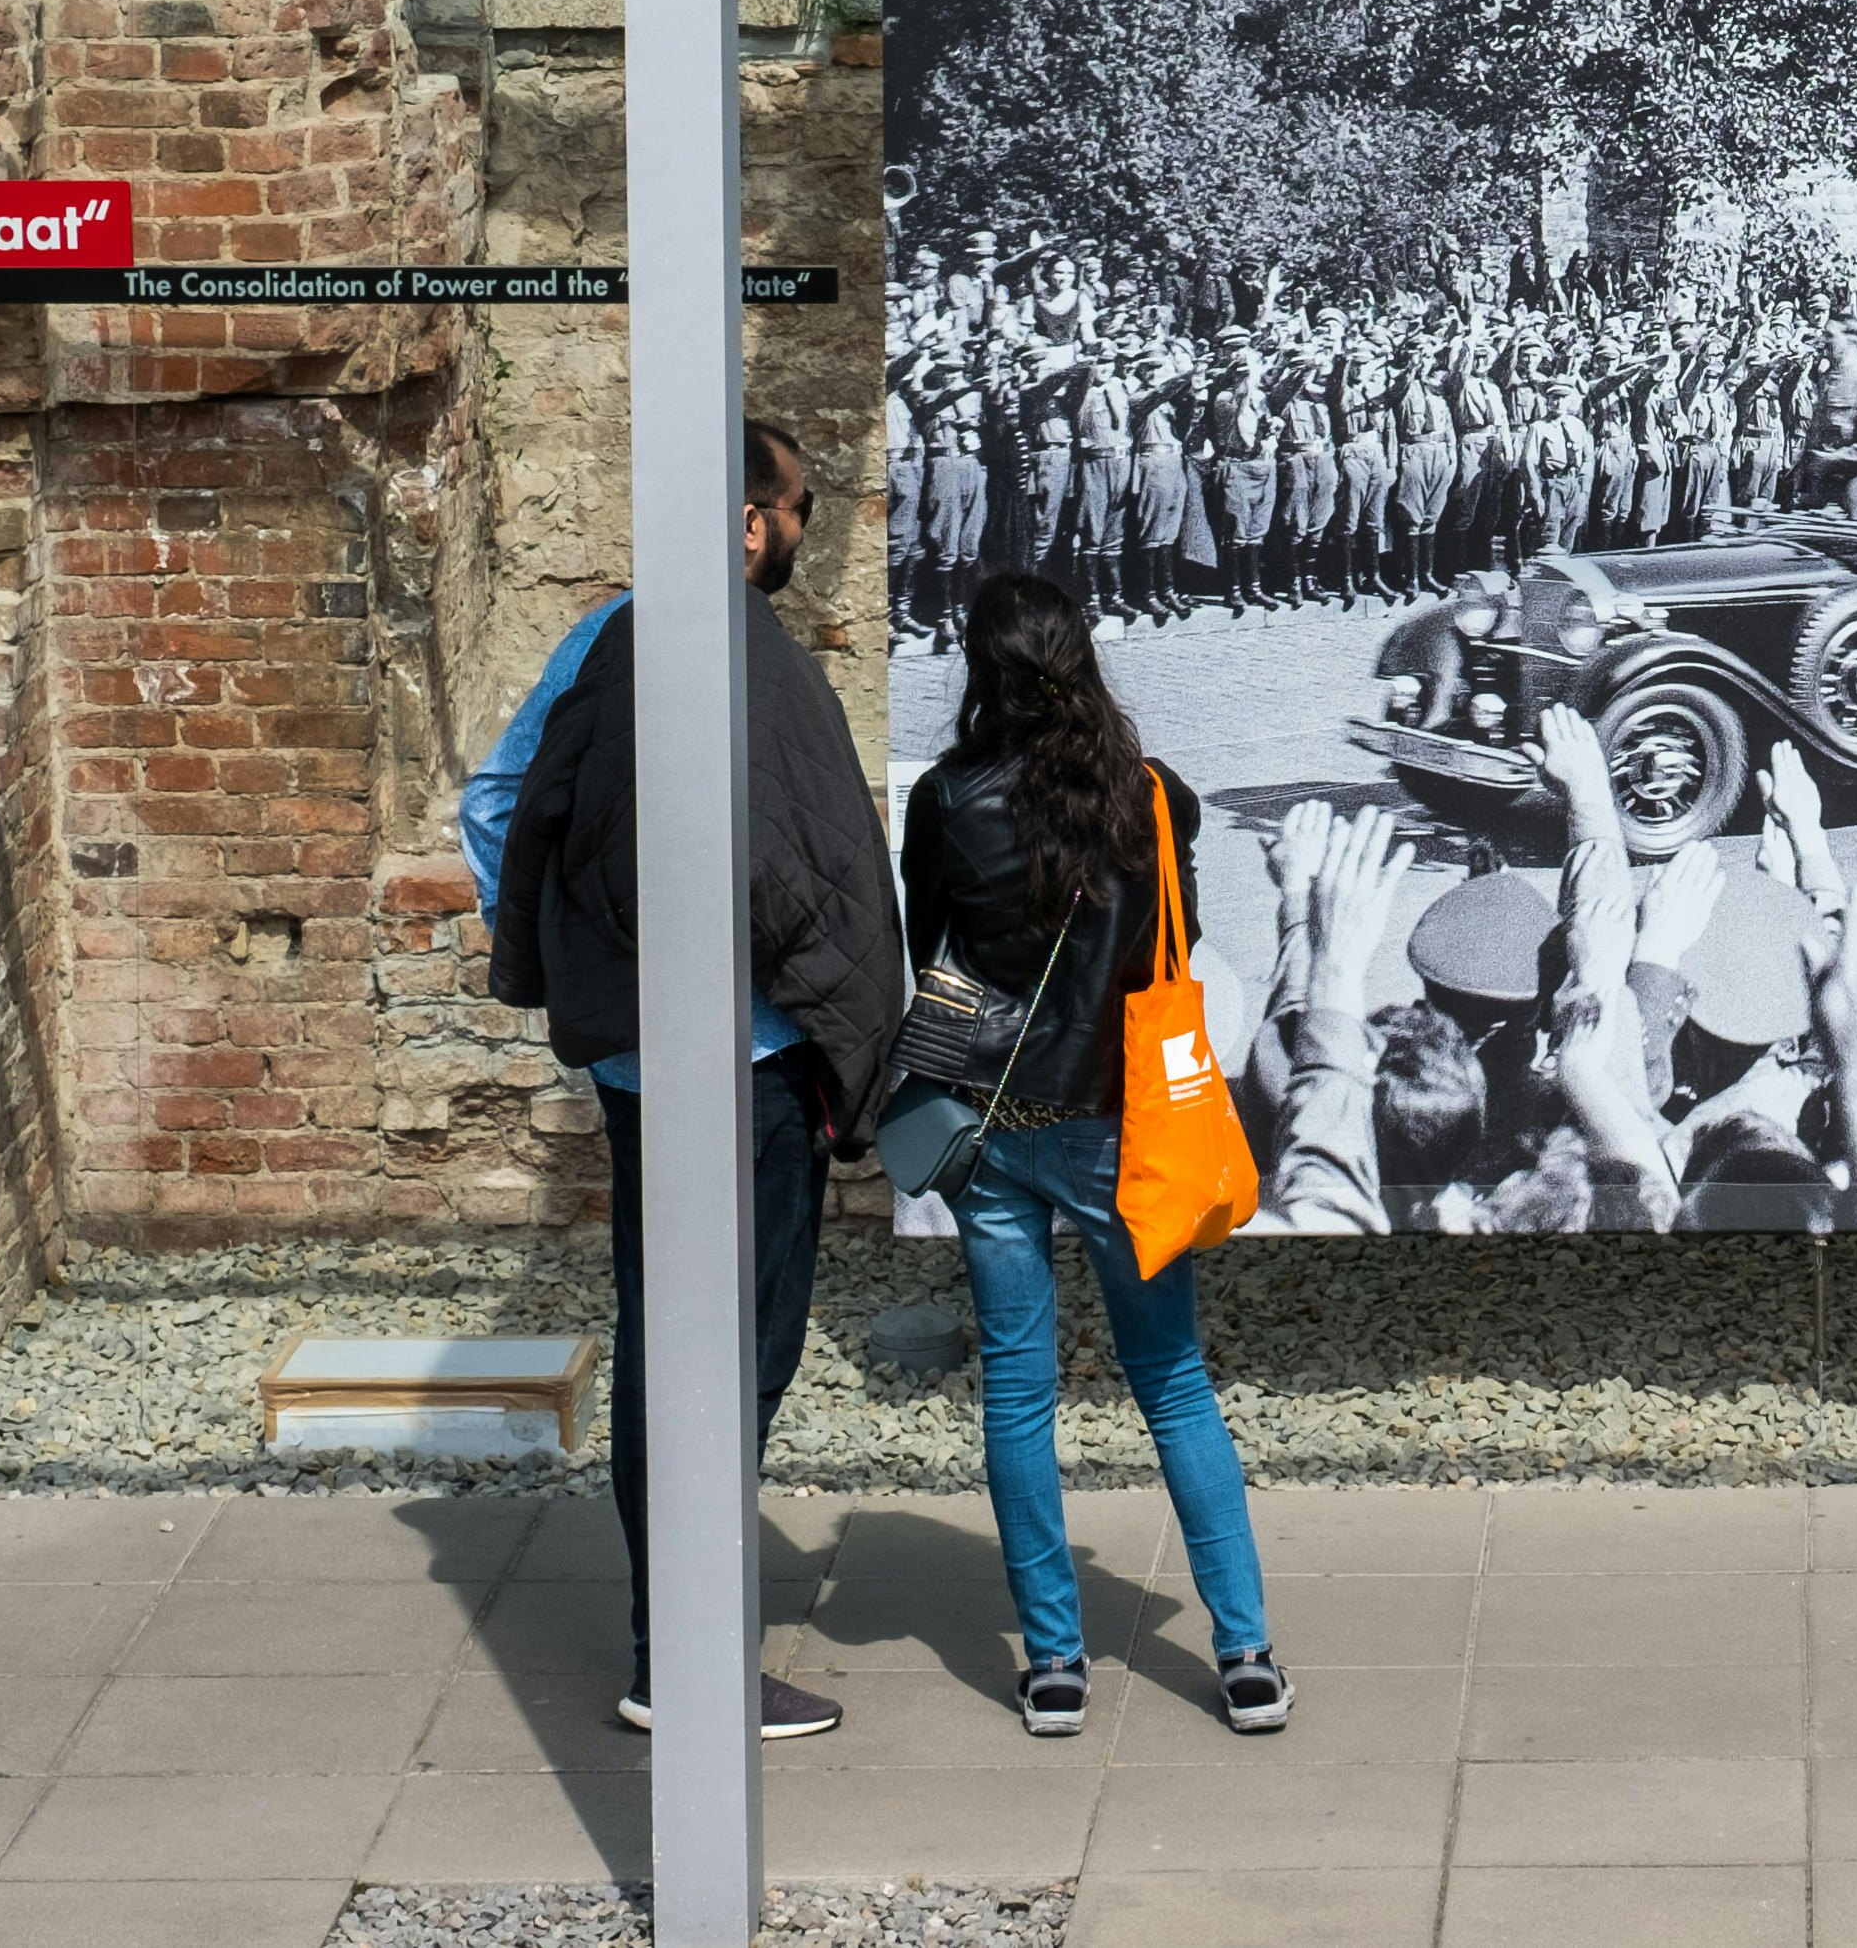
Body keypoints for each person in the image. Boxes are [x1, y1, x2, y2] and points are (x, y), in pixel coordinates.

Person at [469, 419, 907, 1742]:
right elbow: (796, 862)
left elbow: (497, 799)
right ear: (747, 518)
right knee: (740, 1346)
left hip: (637, 1062)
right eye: (795, 507)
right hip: (751, 1062)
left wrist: (577, 961)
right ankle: (688, 1656)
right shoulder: (747, 656)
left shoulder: (603, 637)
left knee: (670, 1326)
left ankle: (678, 1632)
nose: (796, 533)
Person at [899, 574, 1292, 1737]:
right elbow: (1184, 937)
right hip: (1124, 1133)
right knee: (1171, 1381)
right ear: (1085, 658)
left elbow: (932, 953)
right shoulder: (1155, 799)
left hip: (992, 1129)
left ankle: (1056, 1663)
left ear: (979, 667)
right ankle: (1244, 1652)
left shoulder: (945, 798)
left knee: (1017, 1391)